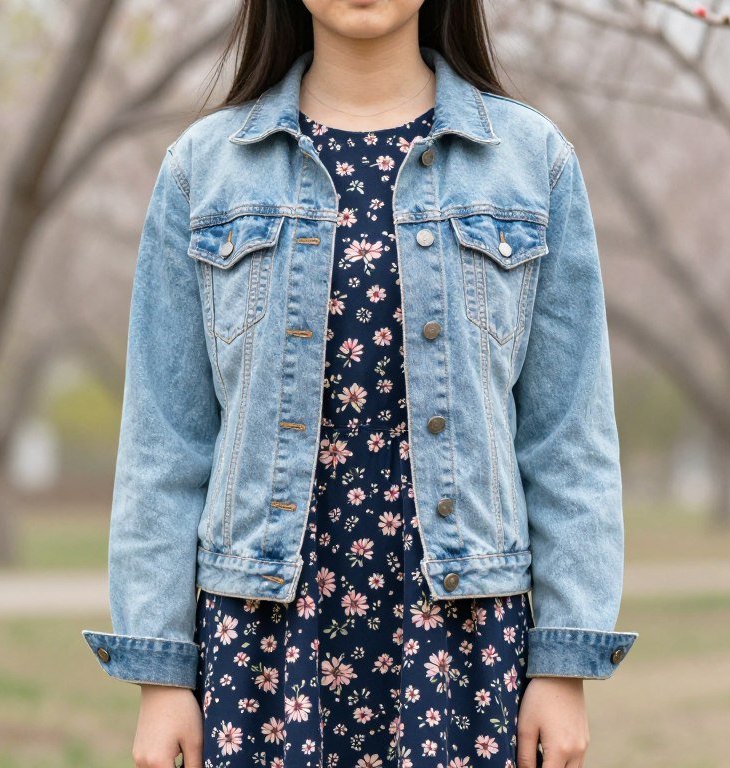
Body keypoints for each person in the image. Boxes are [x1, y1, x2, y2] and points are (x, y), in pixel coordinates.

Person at [82, 2, 639, 767]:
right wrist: (160, 675)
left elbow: (568, 435)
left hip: (464, 636)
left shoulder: (532, 162)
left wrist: (563, 662)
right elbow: (164, 444)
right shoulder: (201, 171)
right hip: (263, 639)